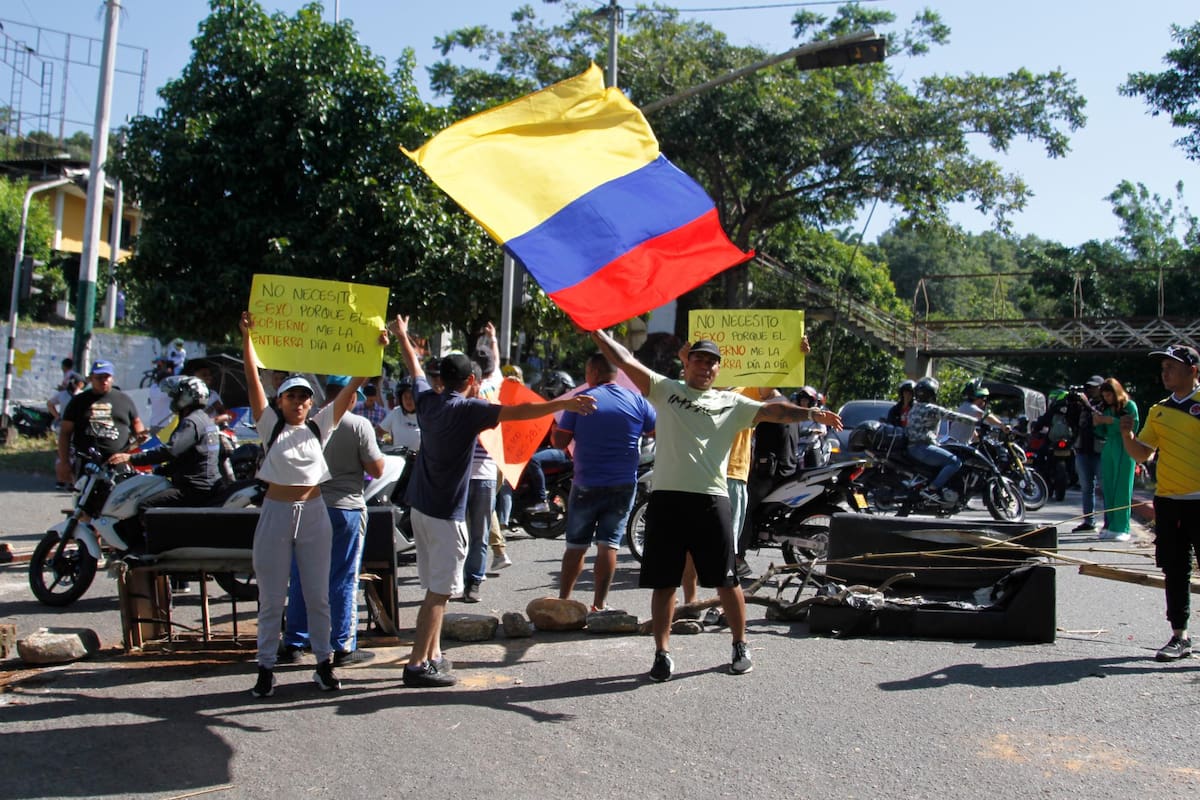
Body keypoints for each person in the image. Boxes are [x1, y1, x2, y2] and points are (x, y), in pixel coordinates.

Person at [589, 330, 842, 682]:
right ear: (687, 363)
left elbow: (774, 410)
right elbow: (625, 360)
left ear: (718, 369)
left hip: (711, 500)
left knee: (727, 580)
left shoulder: (732, 403)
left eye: (711, 362)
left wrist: (811, 413)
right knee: (665, 583)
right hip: (667, 500)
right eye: (699, 359)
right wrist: (598, 333)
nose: (705, 366)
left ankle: (740, 645)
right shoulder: (665, 389)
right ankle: (662, 653)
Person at [391, 315, 597, 688]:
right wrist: (566, 403)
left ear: (442, 380)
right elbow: (520, 412)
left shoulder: (426, 401)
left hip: (420, 508)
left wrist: (403, 335)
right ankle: (417, 664)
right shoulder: (468, 410)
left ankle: (433, 655)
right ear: (471, 381)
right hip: (444, 514)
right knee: (438, 593)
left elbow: (413, 366)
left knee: (436, 588)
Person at [240, 311, 380, 698]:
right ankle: (265, 668)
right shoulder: (270, 425)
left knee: (318, 595)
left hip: (315, 514)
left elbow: (351, 390)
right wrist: (247, 338)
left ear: (312, 401)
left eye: (304, 396)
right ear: (280, 401)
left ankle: (323, 665)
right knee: (272, 598)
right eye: (291, 396)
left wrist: (374, 353)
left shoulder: (320, 427)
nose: (298, 401)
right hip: (276, 513)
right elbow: (252, 380)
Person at [280, 375, 385, 666]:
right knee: (343, 577)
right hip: (345, 509)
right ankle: (342, 645)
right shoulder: (358, 425)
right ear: (350, 396)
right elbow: (377, 470)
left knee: (302, 575)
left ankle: (294, 642)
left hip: (307, 507)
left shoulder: (305, 422)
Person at [1117, 344, 1200, 661]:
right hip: (1168, 502)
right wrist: (1127, 436)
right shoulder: (1159, 410)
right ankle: (1180, 636)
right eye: (1163, 368)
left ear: (1192, 370)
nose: (1165, 373)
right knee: (1175, 570)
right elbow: (1143, 454)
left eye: (1171, 367)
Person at [555, 352, 656, 612]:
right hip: (623, 484)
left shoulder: (581, 401)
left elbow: (560, 442)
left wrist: (557, 427)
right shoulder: (637, 400)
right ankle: (599, 605)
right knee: (609, 545)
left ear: (594, 373)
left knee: (576, 546)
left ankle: (563, 601)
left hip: (586, 483)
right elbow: (656, 431)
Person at [58, 360, 148, 485]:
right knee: (85, 495)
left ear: (112, 378)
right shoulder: (78, 401)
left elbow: (136, 422)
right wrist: (64, 462)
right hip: (87, 462)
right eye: (99, 377)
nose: (103, 381)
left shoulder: (124, 399)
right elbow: (65, 433)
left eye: (107, 377)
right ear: (91, 378)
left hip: (118, 462)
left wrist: (140, 434)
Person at [905, 377, 980, 506]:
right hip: (923, 447)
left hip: (913, 447)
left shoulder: (914, 408)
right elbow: (954, 416)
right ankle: (932, 489)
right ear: (932, 394)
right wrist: (977, 421)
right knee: (955, 462)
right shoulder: (931, 409)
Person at [1092, 377, 1139, 541]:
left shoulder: (1129, 406)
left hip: (1125, 446)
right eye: (1104, 396)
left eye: (1109, 395)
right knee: (1109, 488)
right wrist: (1097, 423)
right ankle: (1110, 525)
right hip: (1109, 447)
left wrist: (1111, 420)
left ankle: (1122, 527)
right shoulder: (1106, 408)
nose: (1107, 399)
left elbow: (1134, 425)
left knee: (1122, 488)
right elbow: (1102, 432)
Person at [1071, 375, 1105, 533]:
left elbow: (1100, 419)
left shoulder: (1106, 404)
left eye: (1094, 387)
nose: (1091, 390)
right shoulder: (1085, 403)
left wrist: (1087, 405)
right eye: (1089, 387)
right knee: (1086, 488)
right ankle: (1089, 521)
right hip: (1083, 450)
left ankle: (1110, 522)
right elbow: (1073, 422)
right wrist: (1073, 405)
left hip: (1099, 451)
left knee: (1105, 488)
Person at [378, 377, 421, 451]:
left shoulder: (425, 414)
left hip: (420, 457)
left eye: (411, 397)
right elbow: (380, 431)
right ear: (401, 399)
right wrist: (389, 440)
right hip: (399, 456)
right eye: (405, 397)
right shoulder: (396, 412)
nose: (408, 401)